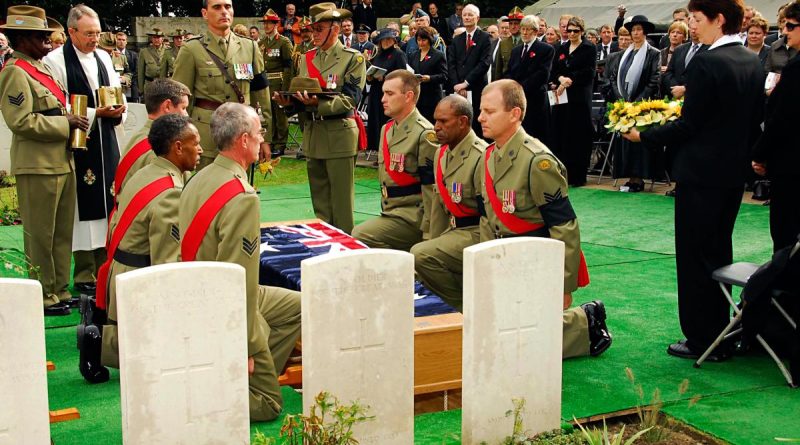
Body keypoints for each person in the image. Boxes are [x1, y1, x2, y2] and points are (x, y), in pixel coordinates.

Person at [623, 0, 765, 361]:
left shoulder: (707, 61)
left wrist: (646, 136)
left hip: (701, 175)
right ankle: (721, 332)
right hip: (731, 175)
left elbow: (690, 124)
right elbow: (752, 119)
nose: (691, 24)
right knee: (719, 251)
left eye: (697, 19)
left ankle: (702, 338)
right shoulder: (749, 59)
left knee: (694, 258)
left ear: (719, 20)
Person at [179, 103, 301, 421]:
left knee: (301, 306)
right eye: (260, 133)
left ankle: (239, 373)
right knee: (267, 405)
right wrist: (244, 345)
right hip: (221, 300)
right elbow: (238, 278)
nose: (262, 140)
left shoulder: (198, 177)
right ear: (244, 140)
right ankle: (224, 387)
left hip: (196, 286)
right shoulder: (241, 196)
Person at [477, 79, 611, 358]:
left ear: (514, 114)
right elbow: (489, 218)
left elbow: (565, 227)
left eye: (489, 111)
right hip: (504, 258)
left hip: (534, 261)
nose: (481, 118)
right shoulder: (489, 156)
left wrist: (561, 284)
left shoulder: (537, 161)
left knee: (517, 348)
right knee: (493, 336)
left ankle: (586, 322)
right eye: (481, 110)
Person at [0, 5, 89, 316]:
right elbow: (21, 121)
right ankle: (42, 294)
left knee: (61, 233)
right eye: (41, 38)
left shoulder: (42, 68)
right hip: (37, 165)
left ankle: (60, 289)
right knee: (40, 235)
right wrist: (67, 125)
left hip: (61, 161)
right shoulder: (14, 72)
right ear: (22, 39)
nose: (49, 43)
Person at [96, 113, 201, 374]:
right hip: (138, 288)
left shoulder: (146, 174)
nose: (200, 149)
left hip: (120, 274)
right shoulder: (171, 193)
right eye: (195, 142)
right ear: (178, 147)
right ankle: (102, 345)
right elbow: (167, 267)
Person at [44, 4, 127, 295]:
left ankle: (107, 267)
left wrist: (119, 110)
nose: (95, 39)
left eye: (98, 32)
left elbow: (117, 92)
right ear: (71, 32)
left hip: (107, 140)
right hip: (80, 144)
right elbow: (59, 104)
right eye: (89, 33)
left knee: (110, 200)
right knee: (83, 207)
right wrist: (95, 114)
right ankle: (83, 274)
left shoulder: (104, 57)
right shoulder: (55, 61)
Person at [274, 2, 366, 234]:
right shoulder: (306, 58)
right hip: (313, 135)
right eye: (311, 29)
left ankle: (345, 254)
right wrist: (290, 104)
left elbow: (350, 100)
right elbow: (302, 93)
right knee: (321, 204)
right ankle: (324, 248)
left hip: (339, 136)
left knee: (341, 206)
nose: (312, 34)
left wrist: (318, 103)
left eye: (318, 29)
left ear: (334, 29)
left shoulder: (352, 59)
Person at [171, 0, 272, 171]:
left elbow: (261, 95)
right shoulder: (191, 49)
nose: (224, 12)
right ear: (205, 13)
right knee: (207, 191)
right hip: (206, 136)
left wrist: (264, 137)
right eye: (217, 7)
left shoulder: (250, 47)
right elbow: (180, 101)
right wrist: (182, 138)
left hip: (242, 134)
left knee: (239, 190)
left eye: (228, 6)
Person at [410, 95, 485, 307]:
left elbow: (489, 216)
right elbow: (439, 207)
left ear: (462, 122)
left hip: (475, 231)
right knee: (422, 258)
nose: (436, 127)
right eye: (435, 121)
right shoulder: (442, 153)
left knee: (421, 255)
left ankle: (459, 307)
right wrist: (431, 239)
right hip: (453, 230)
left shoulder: (480, 156)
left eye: (443, 121)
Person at [352, 70, 438, 249]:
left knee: (360, 236)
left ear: (408, 96)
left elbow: (431, 190)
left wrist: (430, 235)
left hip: (413, 216)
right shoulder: (387, 129)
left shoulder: (425, 134)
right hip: (391, 210)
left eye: (390, 94)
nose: (383, 99)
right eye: (383, 93)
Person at [752, 1, 800, 252]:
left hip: (791, 164)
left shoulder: (795, 68)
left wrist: (760, 154)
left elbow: (781, 118)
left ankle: (784, 288)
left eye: (791, 26)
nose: (785, 32)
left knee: (786, 234)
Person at [609, 15, 661, 192]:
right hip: (623, 104)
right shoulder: (625, 54)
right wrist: (621, 99)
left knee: (639, 142)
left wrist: (637, 103)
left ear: (645, 32)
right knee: (625, 142)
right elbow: (614, 77)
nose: (636, 33)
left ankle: (638, 178)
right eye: (633, 30)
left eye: (639, 30)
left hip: (642, 106)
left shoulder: (653, 53)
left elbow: (654, 80)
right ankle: (628, 176)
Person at [115, 79, 191, 197]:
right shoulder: (162, 150)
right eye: (183, 108)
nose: (186, 115)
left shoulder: (139, 137)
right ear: (167, 106)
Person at [548, 15, 597, 187]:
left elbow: (589, 72)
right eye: (569, 30)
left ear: (582, 31)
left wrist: (569, 80)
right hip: (561, 99)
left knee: (577, 136)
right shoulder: (561, 48)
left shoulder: (589, 48)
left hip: (579, 99)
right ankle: (561, 173)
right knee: (560, 133)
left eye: (575, 31)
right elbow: (554, 70)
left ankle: (577, 176)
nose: (571, 33)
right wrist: (561, 79)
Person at [504, 15, 554, 144]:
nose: (525, 33)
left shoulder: (546, 49)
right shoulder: (516, 51)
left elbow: (542, 75)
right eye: (523, 29)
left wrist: (519, 89)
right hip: (517, 101)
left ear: (536, 32)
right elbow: (509, 71)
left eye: (528, 30)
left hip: (535, 100)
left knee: (536, 138)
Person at [447, 4, 491, 138]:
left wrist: (466, 83)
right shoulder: (457, 39)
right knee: (458, 121)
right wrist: (456, 84)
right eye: (465, 15)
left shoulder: (485, 37)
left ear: (477, 17)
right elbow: (451, 63)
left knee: (476, 123)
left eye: (470, 14)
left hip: (476, 88)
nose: (467, 17)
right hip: (457, 89)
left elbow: (484, 63)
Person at [366, 28, 408, 152]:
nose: (386, 42)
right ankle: (377, 148)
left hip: (390, 92)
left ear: (394, 40)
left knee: (386, 120)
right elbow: (371, 71)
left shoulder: (398, 54)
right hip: (376, 91)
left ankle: (387, 149)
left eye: (389, 39)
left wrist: (385, 77)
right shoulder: (378, 54)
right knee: (376, 120)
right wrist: (369, 77)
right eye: (383, 40)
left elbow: (402, 74)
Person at [259, 9, 294, 158]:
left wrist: (285, 88)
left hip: (279, 81)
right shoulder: (261, 43)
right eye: (265, 23)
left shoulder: (283, 42)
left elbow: (289, 66)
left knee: (280, 114)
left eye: (269, 23)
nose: (266, 26)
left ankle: (281, 144)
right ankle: (271, 141)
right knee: (268, 114)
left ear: (275, 24)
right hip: (266, 83)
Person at [408, 26, 447, 123]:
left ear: (429, 40)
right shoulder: (414, 55)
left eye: (424, 40)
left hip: (431, 97)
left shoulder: (438, 55)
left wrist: (430, 78)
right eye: (418, 40)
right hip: (417, 96)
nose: (421, 43)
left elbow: (444, 76)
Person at [137, 28, 165, 94]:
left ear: (162, 39)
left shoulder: (168, 51)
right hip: (149, 84)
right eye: (154, 37)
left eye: (158, 37)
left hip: (164, 85)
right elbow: (141, 72)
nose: (156, 40)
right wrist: (141, 89)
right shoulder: (144, 52)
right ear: (151, 39)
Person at [116, 32, 138, 103]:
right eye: (119, 39)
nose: (121, 42)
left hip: (131, 87)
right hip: (115, 86)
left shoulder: (133, 55)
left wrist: (127, 78)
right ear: (115, 40)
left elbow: (136, 71)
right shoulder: (110, 54)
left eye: (123, 40)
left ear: (126, 42)